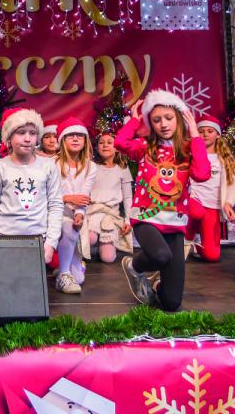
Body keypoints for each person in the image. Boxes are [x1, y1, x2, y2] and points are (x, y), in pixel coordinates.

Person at [115, 90, 210, 311]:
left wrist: (195, 134)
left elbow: (202, 174)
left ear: (179, 118)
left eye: (169, 118)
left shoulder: (188, 149)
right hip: (146, 217)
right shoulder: (145, 147)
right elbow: (120, 142)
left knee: (171, 303)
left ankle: (159, 284)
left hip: (174, 222)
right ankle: (133, 266)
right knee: (159, 255)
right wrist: (135, 120)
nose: (163, 124)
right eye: (156, 120)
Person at [0, 108, 63, 263]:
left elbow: (56, 205)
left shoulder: (48, 166)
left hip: (38, 240)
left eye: (32, 133)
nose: (27, 138)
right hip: (5, 240)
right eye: (21, 132)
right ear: (9, 138)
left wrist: (51, 243)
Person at [184, 116, 235, 262]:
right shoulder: (191, 154)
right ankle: (186, 237)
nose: (205, 134)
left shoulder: (224, 159)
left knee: (212, 256)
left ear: (218, 134)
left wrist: (228, 203)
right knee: (196, 212)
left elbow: (232, 185)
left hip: (213, 207)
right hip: (193, 200)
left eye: (210, 131)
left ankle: (195, 246)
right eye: (201, 131)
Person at [54, 117, 97, 294]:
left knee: (79, 279)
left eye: (80, 135)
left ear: (85, 140)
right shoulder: (53, 164)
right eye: (70, 135)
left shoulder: (91, 167)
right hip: (53, 212)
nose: (75, 138)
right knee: (67, 226)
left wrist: (79, 214)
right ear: (63, 140)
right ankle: (64, 273)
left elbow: (84, 196)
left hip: (73, 215)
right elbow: (47, 195)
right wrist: (69, 198)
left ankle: (72, 267)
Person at [85, 130, 134, 263]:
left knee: (108, 259)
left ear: (117, 147)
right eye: (101, 143)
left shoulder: (122, 168)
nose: (105, 145)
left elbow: (128, 197)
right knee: (90, 238)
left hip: (110, 214)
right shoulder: (92, 166)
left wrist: (128, 220)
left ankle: (104, 246)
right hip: (93, 211)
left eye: (109, 142)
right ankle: (93, 245)